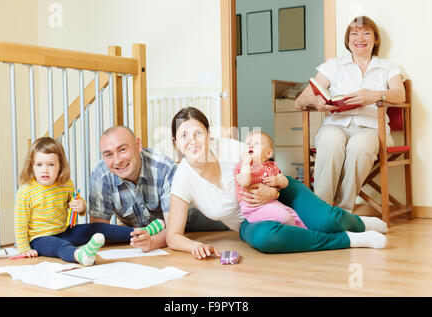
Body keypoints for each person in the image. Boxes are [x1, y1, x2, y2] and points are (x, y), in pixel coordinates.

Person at [165, 107, 389, 260]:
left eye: (197, 133)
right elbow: (173, 235)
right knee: (268, 239)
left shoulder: (231, 148)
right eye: (184, 136)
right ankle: (348, 240)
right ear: (176, 142)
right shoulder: (183, 178)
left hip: (280, 189)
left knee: (327, 219)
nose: (192, 141)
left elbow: (267, 163)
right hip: (248, 222)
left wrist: (272, 191)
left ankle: (359, 223)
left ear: (208, 134)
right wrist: (195, 246)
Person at [294, 16, 405, 212]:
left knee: (359, 147)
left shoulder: (389, 67)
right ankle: (320, 210)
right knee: (330, 142)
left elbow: (399, 94)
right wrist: (315, 101)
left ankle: (342, 212)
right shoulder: (332, 66)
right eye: (354, 33)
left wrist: (375, 95)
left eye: (366, 33)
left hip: (373, 129)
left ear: (375, 39)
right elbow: (300, 101)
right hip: (335, 125)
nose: (359, 38)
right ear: (347, 40)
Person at [89, 125, 228, 252]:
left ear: (138, 145)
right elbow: (100, 234)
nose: (117, 160)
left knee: (230, 218)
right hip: (155, 231)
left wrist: (152, 242)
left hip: (197, 216)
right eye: (109, 155)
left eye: (123, 149)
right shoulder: (101, 175)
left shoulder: (164, 168)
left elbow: (173, 230)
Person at [14, 137, 139, 266]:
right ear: (32, 166)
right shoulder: (25, 192)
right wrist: (25, 249)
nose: (44, 170)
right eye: (39, 165)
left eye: (51, 164)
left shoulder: (66, 185)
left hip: (65, 231)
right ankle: (80, 255)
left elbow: (78, 205)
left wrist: (81, 206)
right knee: (61, 246)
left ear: (60, 166)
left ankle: (140, 232)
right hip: (39, 239)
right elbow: (20, 224)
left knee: (97, 228)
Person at [234, 130, 307, 229]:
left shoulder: (271, 166)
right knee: (284, 217)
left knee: (295, 215)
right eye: (248, 144)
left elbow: (285, 183)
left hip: (271, 203)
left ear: (268, 154)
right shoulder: (242, 167)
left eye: (256, 143)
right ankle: (296, 235)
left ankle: (307, 234)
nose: (250, 146)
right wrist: (246, 163)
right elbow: (244, 182)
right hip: (253, 208)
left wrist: (278, 180)